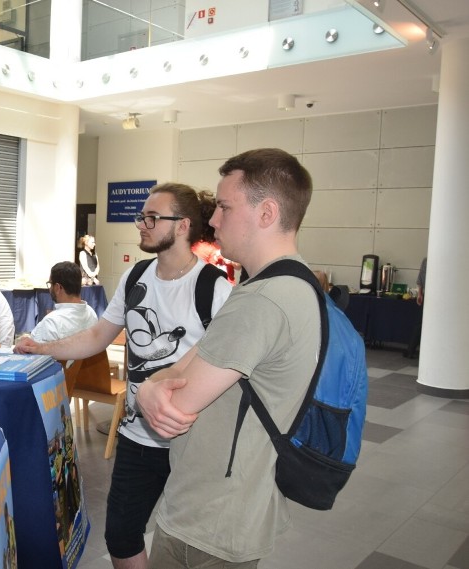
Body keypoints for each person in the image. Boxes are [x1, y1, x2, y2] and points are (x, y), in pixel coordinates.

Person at [16, 183, 232, 569]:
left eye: (152, 218)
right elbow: (98, 335)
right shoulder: (137, 276)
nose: (141, 225)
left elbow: (226, 365)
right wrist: (41, 348)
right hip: (137, 435)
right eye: (141, 216)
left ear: (182, 226)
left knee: (187, 545)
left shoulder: (214, 288)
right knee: (120, 533)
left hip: (191, 441)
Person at [136, 148, 319, 567]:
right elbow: (186, 365)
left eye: (224, 206)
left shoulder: (262, 300)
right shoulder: (297, 282)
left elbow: (175, 404)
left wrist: (147, 388)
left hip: (206, 522)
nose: (214, 219)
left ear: (267, 213)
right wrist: (159, 382)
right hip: (242, 501)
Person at [28, 261, 98, 344]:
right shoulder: (92, 313)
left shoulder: (51, 323)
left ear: (58, 287)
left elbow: (35, 353)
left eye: (50, 284)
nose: (50, 289)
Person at [404, 256, 426, 359]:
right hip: (439, 297)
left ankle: (410, 350)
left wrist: (420, 294)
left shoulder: (426, 260)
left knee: (419, 324)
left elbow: (420, 279)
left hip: (428, 295)